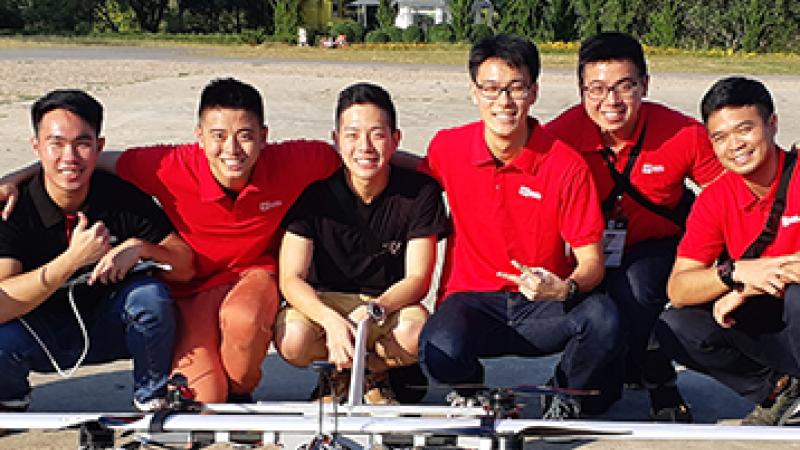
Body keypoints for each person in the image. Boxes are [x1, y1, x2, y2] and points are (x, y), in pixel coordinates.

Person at [0, 78, 341, 404]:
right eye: (218, 136)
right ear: (199, 136)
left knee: (241, 320)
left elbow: (357, 156)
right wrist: (18, 178)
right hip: (194, 289)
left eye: (245, 136)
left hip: (252, 277)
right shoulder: (168, 165)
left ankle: (238, 392)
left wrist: (140, 248)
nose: (232, 149)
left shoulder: (295, 160)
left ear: (264, 137)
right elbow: (79, 161)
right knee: (204, 397)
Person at [416, 34, 623, 419]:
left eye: (516, 88)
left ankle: (563, 392)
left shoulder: (565, 165)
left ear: (534, 92)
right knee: (436, 348)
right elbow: (409, 175)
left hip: (542, 304)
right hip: (471, 300)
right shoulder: (448, 148)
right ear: (474, 92)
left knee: (604, 319)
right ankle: (471, 390)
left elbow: (591, 262)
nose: (504, 102)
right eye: (491, 89)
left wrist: (563, 287)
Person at [544, 32, 723, 421]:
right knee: (598, 397)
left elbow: (730, 193)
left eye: (624, 86)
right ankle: (598, 374)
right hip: (588, 251)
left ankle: (659, 376)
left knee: (636, 286)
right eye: (597, 89)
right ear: (581, 90)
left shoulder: (683, 134)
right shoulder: (559, 137)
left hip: (657, 249)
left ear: (645, 84)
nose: (611, 101)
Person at [0, 89, 194, 412]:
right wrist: (72, 260)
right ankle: (9, 397)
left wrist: (142, 248)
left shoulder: (120, 197)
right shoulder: (13, 208)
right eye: (56, 144)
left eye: (82, 144)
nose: (70, 157)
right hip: (37, 333)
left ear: (99, 147)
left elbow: (186, 265)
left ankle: (152, 396)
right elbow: (2, 302)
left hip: (109, 325)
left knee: (150, 297)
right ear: (37, 147)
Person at [275, 82, 449, 404]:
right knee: (292, 338)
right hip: (326, 300)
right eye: (352, 135)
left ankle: (372, 373)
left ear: (396, 139)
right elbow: (291, 277)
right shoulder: (313, 192)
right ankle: (336, 373)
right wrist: (330, 320)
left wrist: (373, 311)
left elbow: (418, 278)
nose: (365, 146)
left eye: (377, 135)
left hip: (387, 304)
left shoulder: (420, 193)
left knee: (417, 333)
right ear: (336, 139)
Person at [656, 76, 800, 426]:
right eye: (720, 137)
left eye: (745, 129)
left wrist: (749, 286)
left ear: (772, 124)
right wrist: (732, 273)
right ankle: (781, 392)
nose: (735, 145)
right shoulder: (715, 198)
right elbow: (679, 288)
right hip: (771, 319)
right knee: (676, 325)